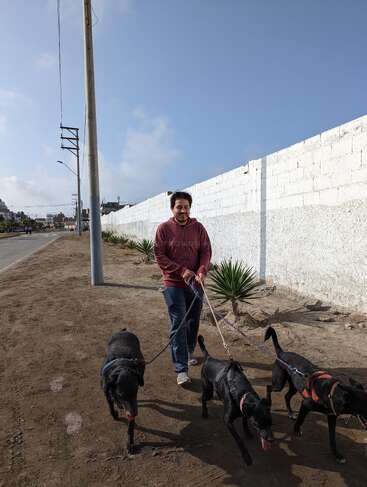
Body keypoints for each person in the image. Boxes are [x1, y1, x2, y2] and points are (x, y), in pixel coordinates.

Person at [154, 191, 212, 386]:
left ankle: (188, 351)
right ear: (172, 208)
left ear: (190, 208)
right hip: (174, 284)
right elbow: (159, 256)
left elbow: (206, 250)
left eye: (186, 207)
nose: (183, 210)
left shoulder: (199, 228)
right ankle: (181, 369)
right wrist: (181, 270)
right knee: (178, 322)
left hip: (196, 283)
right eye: (179, 207)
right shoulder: (163, 229)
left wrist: (202, 269)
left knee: (193, 320)